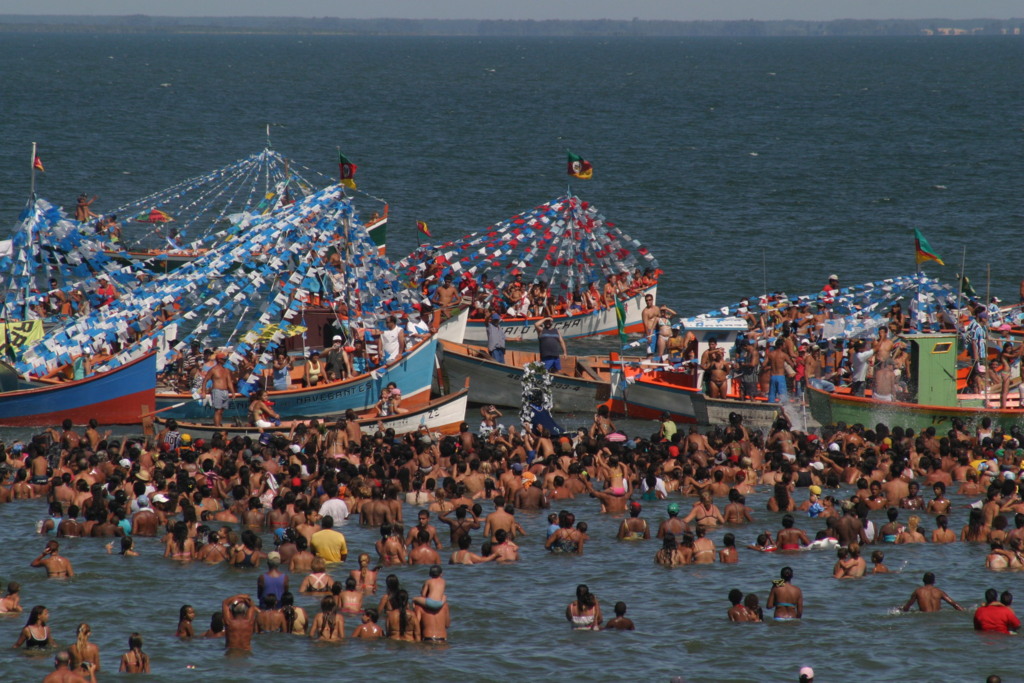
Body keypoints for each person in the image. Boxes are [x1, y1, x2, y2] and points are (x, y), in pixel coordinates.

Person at [202, 352, 233, 427]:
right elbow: (205, 380)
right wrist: (203, 392)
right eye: (223, 359)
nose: (225, 361)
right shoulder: (213, 370)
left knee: (222, 410)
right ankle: (217, 426)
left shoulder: (226, 370)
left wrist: (233, 392)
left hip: (225, 391)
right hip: (217, 390)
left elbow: (229, 382)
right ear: (219, 360)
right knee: (218, 410)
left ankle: (219, 424)